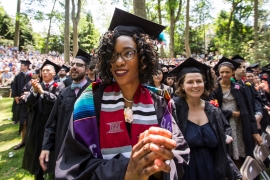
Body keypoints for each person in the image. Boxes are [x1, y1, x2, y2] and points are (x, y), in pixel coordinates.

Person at [55, 8, 189, 180]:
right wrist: (125, 171)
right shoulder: (89, 101)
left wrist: (159, 162)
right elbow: (72, 164)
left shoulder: (160, 101)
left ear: (142, 59)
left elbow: (179, 151)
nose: (118, 61)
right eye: (113, 55)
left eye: (128, 53)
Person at [170, 58, 240, 180]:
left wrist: (234, 173)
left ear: (204, 83)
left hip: (211, 170)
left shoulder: (213, 111)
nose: (195, 85)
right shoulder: (173, 108)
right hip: (184, 172)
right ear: (181, 85)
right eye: (190, 82)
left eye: (199, 81)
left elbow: (221, 149)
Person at [40, 49, 92, 172]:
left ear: (87, 70)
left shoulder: (94, 91)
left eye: (79, 65)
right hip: (63, 145)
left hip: (86, 147)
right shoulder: (64, 92)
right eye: (73, 64)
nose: (74, 67)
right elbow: (52, 121)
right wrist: (46, 147)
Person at [212, 57, 262, 169]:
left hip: (240, 123)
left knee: (240, 150)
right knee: (228, 152)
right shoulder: (215, 88)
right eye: (222, 72)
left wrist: (254, 131)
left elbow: (248, 109)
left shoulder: (239, 87)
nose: (224, 74)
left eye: (227, 72)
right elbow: (212, 109)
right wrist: (230, 113)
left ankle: (241, 173)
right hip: (224, 121)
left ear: (233, 72)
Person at [22, 60, 65, 180]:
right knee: (36, 153)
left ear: (54, 73)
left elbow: (57, 103)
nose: (44, 72)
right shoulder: (35, 85)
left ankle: (53, 173)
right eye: (43, 70)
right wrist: (35, 93)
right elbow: (27, 104)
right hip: (36, 125)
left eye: (48, 70)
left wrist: (42, 92)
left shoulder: (59, 86)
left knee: (51, 155)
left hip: (51, 125)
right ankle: (38, 175)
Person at [14, 69, 40, 150]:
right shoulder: (30, 82)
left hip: (35, 107)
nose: (32, 74)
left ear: (39, 74)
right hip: (25, 106)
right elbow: (24, 91)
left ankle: (31, 142)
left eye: (35, 73)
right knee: (23, 123)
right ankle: (23, 141)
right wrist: (25, 95)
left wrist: (29, 94)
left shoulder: (41, 83)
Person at [11, 60, 32, 124]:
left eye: (22, 65)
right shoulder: (18, 76)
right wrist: (15, 95)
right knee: (17, 107)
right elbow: (14, 86)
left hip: (27, 95)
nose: (20, 66)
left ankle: (25, 120)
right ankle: (16, 119)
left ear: (26, 66)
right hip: (18, 95)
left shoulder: (31, 75)